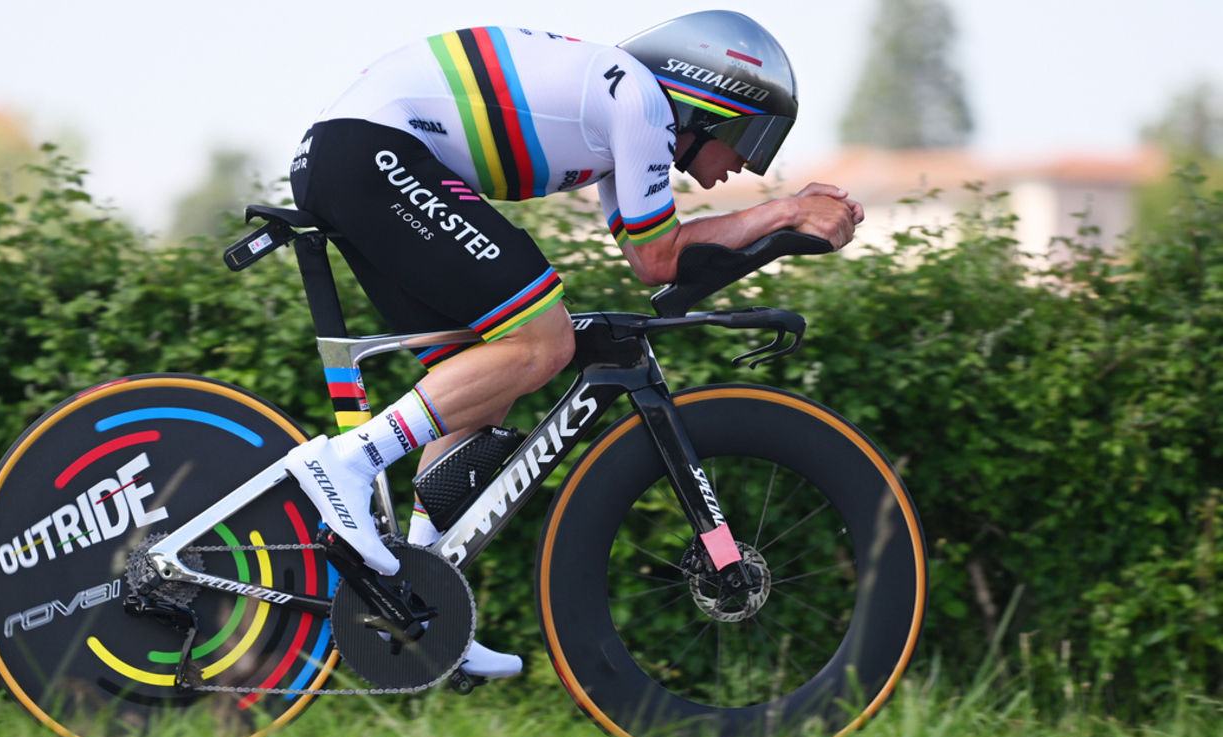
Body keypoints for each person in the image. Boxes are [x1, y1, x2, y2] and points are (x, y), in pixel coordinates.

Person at [284, 10, 864, 680]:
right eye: (748, 137)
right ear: (708, 105)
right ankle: (348, 462)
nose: (743, 164)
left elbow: (652, 263)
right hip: (371, 151)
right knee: (544, 340)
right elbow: (663, 255)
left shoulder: (622, 110)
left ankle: (419, 597)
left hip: (356, 154)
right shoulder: (641, 101)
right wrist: (785, 210)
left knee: (482, 384)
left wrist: (778, 225)